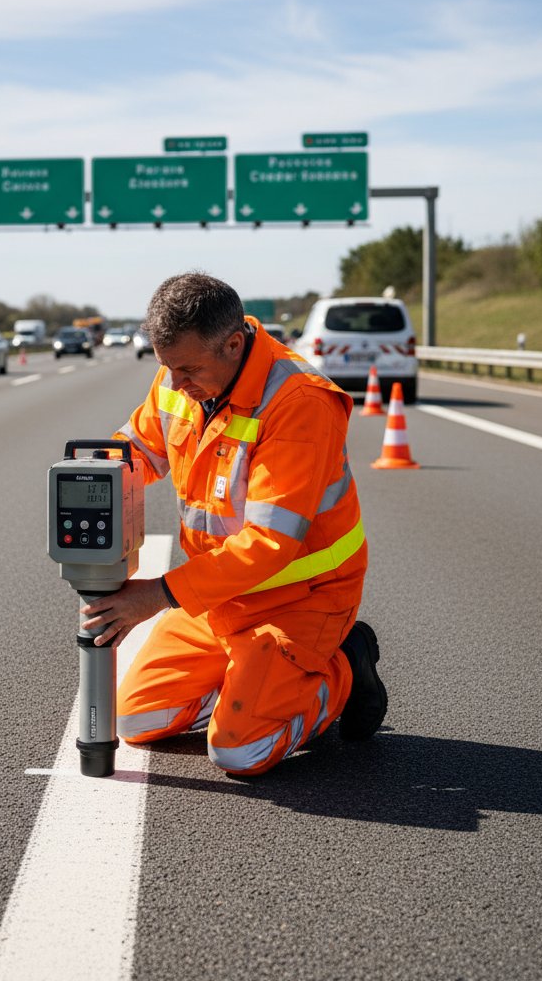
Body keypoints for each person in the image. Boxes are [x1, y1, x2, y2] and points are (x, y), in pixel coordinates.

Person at [81, 273, 387, 776]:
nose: (175, 383)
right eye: (167, 367)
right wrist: (91, 477)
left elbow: (269, 545)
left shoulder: (300, 402)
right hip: (220, 596)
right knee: (135, 720)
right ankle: (253, 678)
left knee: (239, 752)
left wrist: (157, 595)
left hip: (302, 598)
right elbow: (139, 450)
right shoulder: (178, 378)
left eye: (188, 369)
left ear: (234, 343)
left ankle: (344, 667)